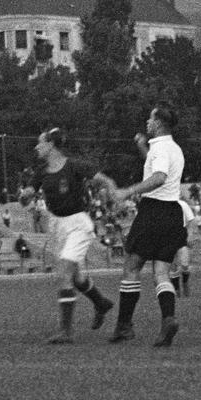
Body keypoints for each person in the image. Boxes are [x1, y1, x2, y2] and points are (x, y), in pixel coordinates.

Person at [108, 105, 195, 347]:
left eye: (150, 118)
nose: (147, 121)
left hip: (154, 211)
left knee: (131, 267)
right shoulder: (173, 148)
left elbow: (159, 177)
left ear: (157, 123)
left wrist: (129, 190)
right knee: (161, 272)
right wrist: (142, 148)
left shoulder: (161, 149)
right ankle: (168, 319)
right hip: (172, 213)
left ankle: (124, 326)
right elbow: (158, 167)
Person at [22, 128, 117, 344]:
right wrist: (25, 196)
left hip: (77, 224)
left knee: (65, 271)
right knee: (77, 278)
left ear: (51, 145)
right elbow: (27, 197)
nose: (37, 147)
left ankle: (66, 332)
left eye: (40, 143)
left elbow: (104, 180)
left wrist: (113, 190)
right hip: (56, 226)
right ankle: (101, 303)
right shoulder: (42, 171)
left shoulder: (74, 165)